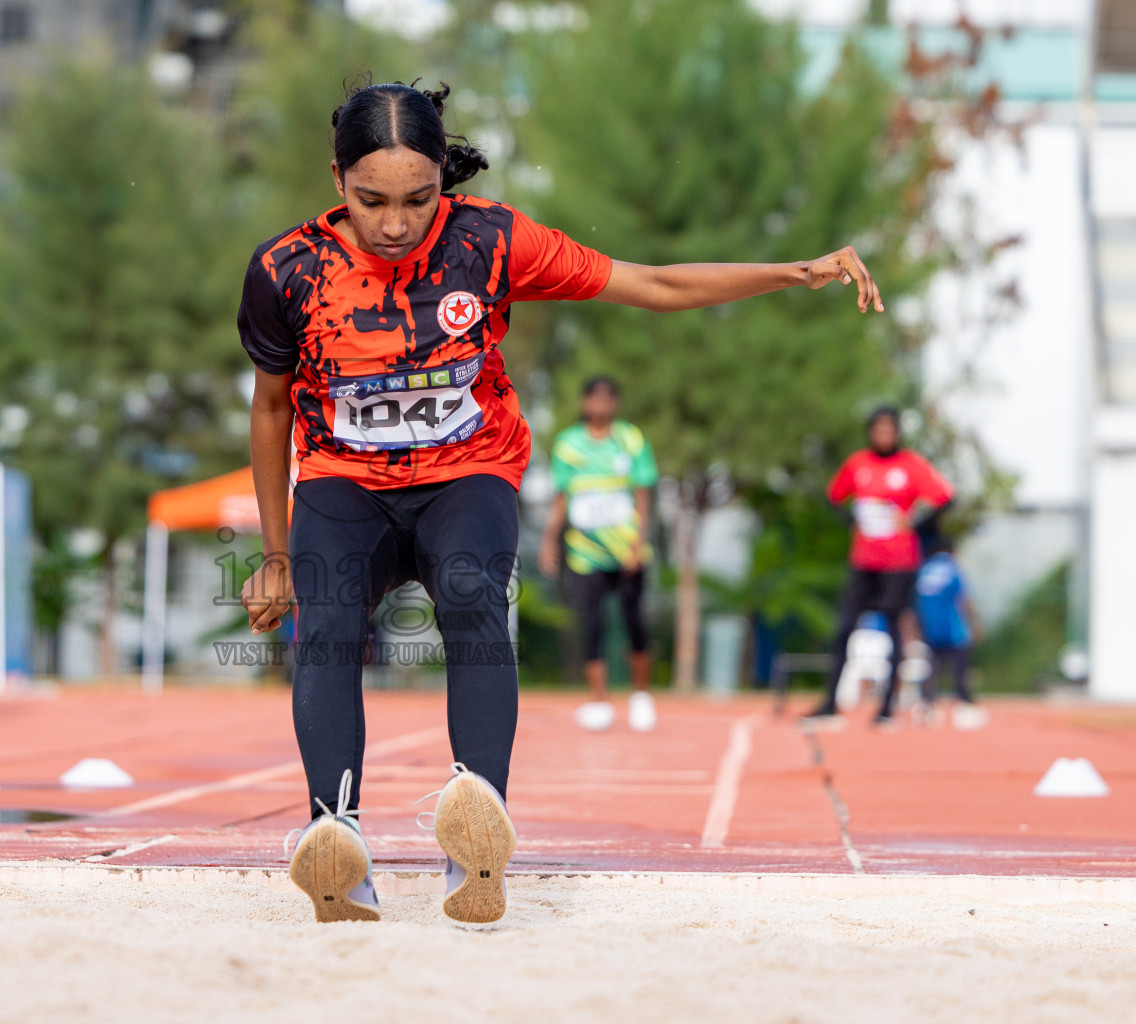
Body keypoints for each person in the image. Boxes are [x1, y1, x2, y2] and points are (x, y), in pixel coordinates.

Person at [237, 80, 884, 924]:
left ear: (445, 180)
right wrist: (278, 556)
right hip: (341, 481)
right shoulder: (287, 271)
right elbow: (272, 406)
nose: (396, 225)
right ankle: (336, 840)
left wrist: (793, 272)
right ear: (337, 184)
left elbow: (652, 284)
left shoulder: (493, 244)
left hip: (465, 473)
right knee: (322, 626)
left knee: (473, 597)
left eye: (419, 200)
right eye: (372, 203)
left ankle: (476, 837)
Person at [804, 408, 952, 727]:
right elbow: (834, 496)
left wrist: (916, 522)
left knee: (893, 628)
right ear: (871, 432)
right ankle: (830, 703)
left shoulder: (911, 466)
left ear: (898, 433)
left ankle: (886, 709)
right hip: (863, 560)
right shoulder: (858, 464)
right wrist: (850, 521)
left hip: (899, 562)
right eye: (878, 429)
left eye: (890, 429)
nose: (884, 435)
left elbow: (945, 497)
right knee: (845, 627)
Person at [540, 377, 659, 732]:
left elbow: (643, 492)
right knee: (591, 625)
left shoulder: (630, 439)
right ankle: (599, 700)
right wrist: (549, 541)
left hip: (626, 549)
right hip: (584, 552)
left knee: (634, 621)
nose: (601, 405)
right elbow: (561, 497)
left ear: (616, 403)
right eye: (595, 397)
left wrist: (638, 542)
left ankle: (641, 696)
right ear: (585, 401)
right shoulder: (567, 445)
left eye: (608, 398)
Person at [914, 536, 986, 728]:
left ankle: (927, 706)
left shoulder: (923, 570)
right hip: (954, 629)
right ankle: (965, 705)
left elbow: (916, 603)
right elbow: (963, 599)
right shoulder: (953, 569)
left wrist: (916, 629)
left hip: (929, 628)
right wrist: (974, 623)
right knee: (960, 670)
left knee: (930, 670)